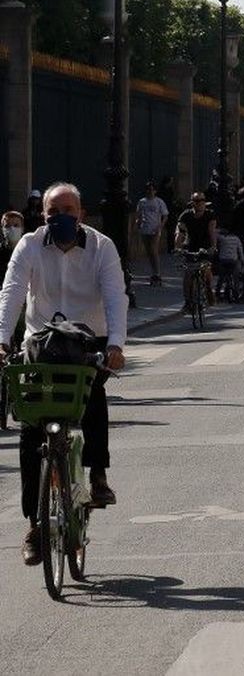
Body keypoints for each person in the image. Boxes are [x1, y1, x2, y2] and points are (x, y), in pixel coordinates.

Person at [0, 182, 127, 565]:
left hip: (89, 343)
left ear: (82, 214)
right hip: (42, 345)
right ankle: (35, 527)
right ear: (43, 216)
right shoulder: (30, 245)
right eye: (54, 212)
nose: (61, 218)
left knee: (93, 397)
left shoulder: (102, 247)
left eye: (68, 211)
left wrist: (116, 345)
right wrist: (3, 339)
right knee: (30, 430)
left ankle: (99, 475)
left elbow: (114, 295)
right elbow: (12, 291)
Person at [175, 192, 217, 312]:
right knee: (188, 274)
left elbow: (212, 232)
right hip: (190, 246)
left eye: (201, 201)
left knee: (206, 270)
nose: (199, 204)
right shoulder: (186, 215)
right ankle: (188, 301)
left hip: (205, 247)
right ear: (192, 203)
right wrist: (178, 247)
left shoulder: (210, 215)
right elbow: (179, 232)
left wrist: (213, 246)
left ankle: (209, 289)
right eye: (196, 201)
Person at [135, 181, 170, 286]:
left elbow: (165, 215)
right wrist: (138, 223)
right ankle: (153, 271)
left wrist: (160, 226)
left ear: (155, 191)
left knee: (153, 250)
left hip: (155, 229)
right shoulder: (142, 202)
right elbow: (139, 214)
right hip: (145, 228)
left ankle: (157, 272)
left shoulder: (159, 202)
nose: (150, 192)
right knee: (149, 252)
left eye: (152, 189)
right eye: (148, 189)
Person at [214, 223, 244, 300]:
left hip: (223, 260)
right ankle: (236, 295)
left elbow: (214, 233)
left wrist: (220, 230)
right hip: (233, 260)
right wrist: (242, 261)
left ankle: (217, 293)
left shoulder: (221, 238)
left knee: (221, 277)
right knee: (236, 278)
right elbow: (240, 251)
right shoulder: (237, 239)